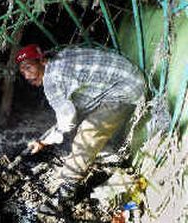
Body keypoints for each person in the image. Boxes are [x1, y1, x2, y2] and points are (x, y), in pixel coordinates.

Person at [15, 44, 145, 216]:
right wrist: (49, 136)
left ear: (41, 61)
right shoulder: (60, 56)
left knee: (87, 132)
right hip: (129, 76)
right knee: (80, 114)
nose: (26, 75)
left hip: (125, 91)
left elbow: (67, 122)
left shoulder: (52, 81)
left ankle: (66, 192)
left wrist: (45, 141)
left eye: (28, 67)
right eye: (22, 72)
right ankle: (105, 153)